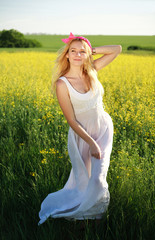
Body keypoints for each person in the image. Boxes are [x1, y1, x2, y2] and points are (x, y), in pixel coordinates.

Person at [38, 32, 122, 225]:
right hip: (82, 135)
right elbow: (71, 121)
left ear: (87, 55)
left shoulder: (91, 70)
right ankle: (81, 214)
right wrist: (91, 143)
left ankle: (96, 216)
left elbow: (117, 49)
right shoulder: (62, 84)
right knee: (83, 180)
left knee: (98, 177)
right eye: (73, 51)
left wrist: (90, 50)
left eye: (81, 52)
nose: (77, 55)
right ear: (66, 55)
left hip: (102, 128)